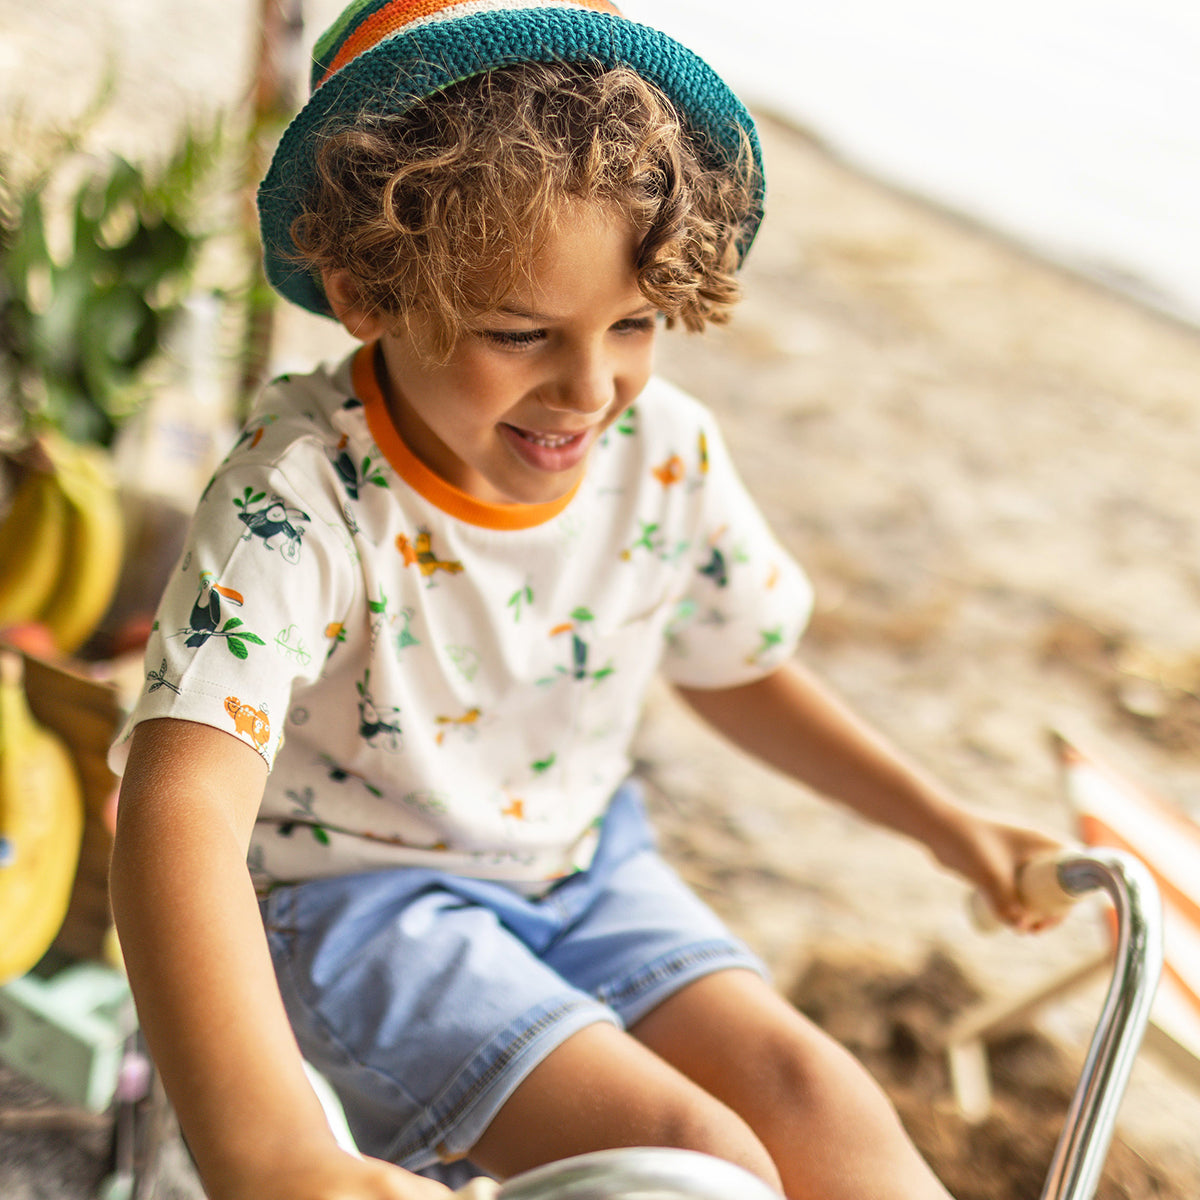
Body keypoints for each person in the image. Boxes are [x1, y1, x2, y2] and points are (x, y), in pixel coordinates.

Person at [108, 4, 1065, 1199]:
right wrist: (274, 1152)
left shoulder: (664, 452)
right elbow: (180, 804)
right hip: (354, 904)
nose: (590, 386)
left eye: (638, 324)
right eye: (520, 332)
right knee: (693, 1162)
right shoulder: (298, 500)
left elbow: (740, 663)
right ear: (366, 290)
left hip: (586, 866)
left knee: (825, 1109)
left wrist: (947, 826)